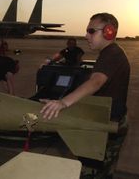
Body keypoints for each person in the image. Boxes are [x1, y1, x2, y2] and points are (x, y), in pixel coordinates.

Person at [40, 13, 130, 178]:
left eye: (91, 31)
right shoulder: (110, 53)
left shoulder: (111, 54)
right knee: (103, 171)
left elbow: (96, 82)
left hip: (108, 123)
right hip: (109, 119)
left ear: (109, 32)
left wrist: (63, 103)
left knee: (91, 171)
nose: (86, 35)